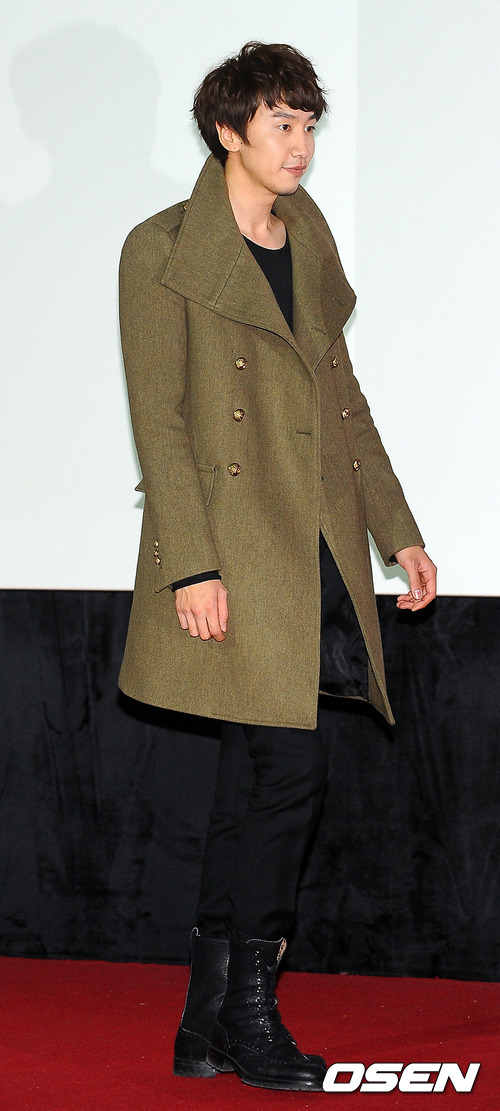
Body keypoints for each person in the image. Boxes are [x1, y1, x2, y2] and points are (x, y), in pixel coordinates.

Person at [118, 41, 437, 1092]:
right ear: (228, 132)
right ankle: (251, 1017)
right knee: (289, 774)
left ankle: (205, 1023)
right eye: (279, 124)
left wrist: (396, 531)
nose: (299, 145)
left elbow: (342, 403)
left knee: (250, 782)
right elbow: (160, 419)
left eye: (307, 124)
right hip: (231, 551)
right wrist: (191, 566)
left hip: (313, 545)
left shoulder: (308, 237)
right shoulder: (160, 247)